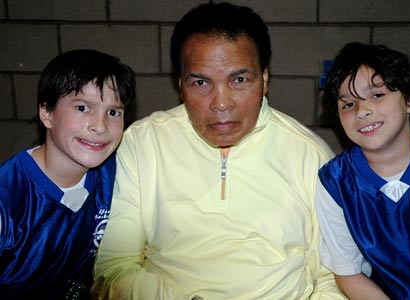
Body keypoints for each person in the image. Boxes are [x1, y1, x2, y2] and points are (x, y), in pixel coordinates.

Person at [92, 2, 346, 300]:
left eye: (239, 80)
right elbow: (115, 268)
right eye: (201, 82)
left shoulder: (310, 156)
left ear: (264, 79)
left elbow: (333, 278)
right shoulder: (143, 144)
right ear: (181, 85)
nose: (221, 103)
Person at [316, 42, 410, 300]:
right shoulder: (334, 183)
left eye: (377, 95)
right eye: (348, 104)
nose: (362, 111)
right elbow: (349, 274)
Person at [0, 49, 136, 299]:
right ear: (47, 113)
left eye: (113, 112)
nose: (100, 125)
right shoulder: (8, 198)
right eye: (83, 108)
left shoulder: (120, 171)